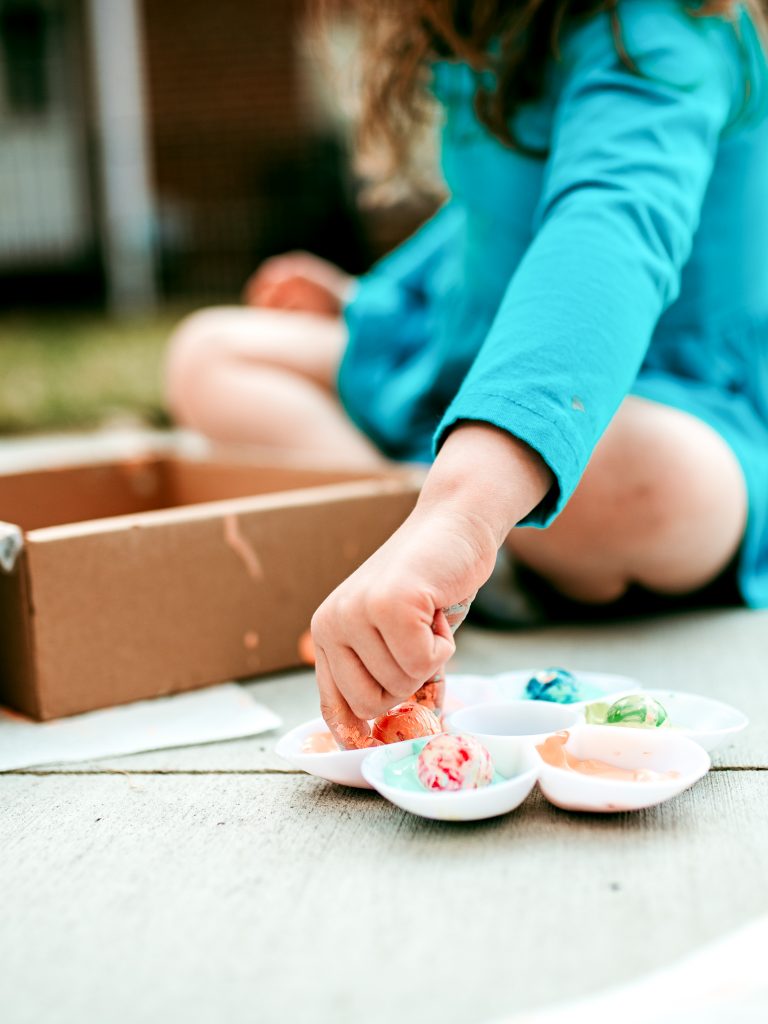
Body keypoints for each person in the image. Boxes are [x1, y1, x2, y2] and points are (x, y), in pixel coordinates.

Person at [165, 0, 768, 747]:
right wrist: (367, 298)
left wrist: (461, 512)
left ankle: (460, 525)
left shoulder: (665, 25)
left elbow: (602, 229)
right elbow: (486, 220)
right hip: (473, 368)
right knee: (210, 352)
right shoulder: (490, 30)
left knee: (635, 475)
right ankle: (430, 540)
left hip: (662, 398)